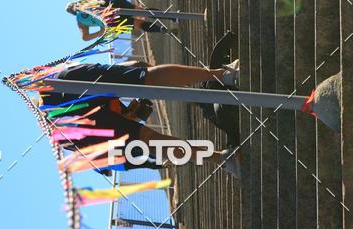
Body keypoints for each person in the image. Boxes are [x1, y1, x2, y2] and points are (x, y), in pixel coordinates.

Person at [38, 59, 241, 176]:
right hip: (62, 98)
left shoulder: (85, 138)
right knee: (145, 77)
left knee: (149, 140)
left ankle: (224, 158)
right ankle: (221, 76)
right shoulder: (89, 139)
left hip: (64, 115)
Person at [67, 0, 181, 40]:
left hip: (110, 17)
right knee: (141, 13)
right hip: (110, 9)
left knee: (139, 22)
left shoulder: (80, 21)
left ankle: (162, 28)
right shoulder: (81, 3)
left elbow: (85, 38)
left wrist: (101, 31)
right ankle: (171, 19)